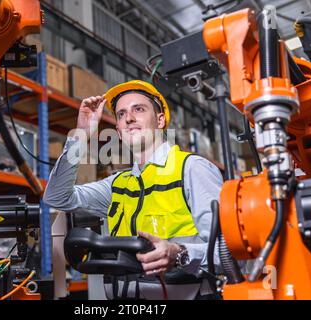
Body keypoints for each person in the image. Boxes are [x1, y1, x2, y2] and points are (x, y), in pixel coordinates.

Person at [44, 80, 223, 300]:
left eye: (138, 109)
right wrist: (81, 135)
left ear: (159, 120)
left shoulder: (192, 169)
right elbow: (56, 197)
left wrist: (180, 254)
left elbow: (228, 252)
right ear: (118, 132)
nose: (128, 118)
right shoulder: (118, 184)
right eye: (121, 114)